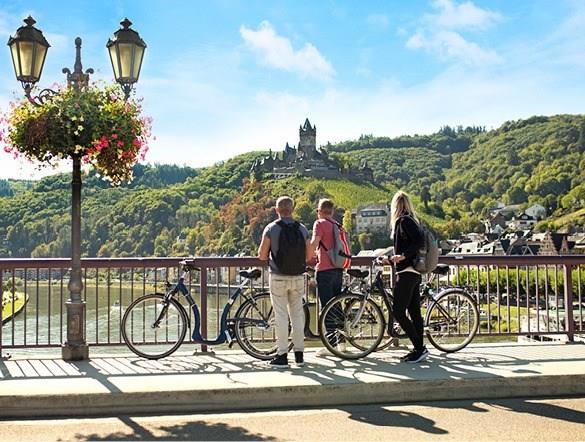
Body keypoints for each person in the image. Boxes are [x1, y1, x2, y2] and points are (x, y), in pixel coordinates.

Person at [258, 196, 311, 368]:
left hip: (278, 276)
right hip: (298, 277)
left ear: (277, 210)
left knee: (281, 316)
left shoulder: (271, 228)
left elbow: (262, 255)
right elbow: (310, 255)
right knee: (297, 315)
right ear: (293, 209)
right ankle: (299, 355)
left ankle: (282, 355)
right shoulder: (302, 229)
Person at [387, 190, 428, 363]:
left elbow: (418, 241)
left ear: (395, 206)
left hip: (407, 272)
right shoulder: (410, 220)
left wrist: (403, 256)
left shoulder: (404, 221)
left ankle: (419, 348)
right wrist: (392, 256)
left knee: (398, 311)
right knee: (414, 312)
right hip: (414, 272)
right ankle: (419, 349)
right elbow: (412, 243)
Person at [308, 198, 344, 356]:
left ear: (320, 211)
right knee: (336, 305)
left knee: (327, 307)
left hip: (324, 270)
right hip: (338, 269)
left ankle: (330, 345)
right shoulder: (337, 225)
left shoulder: (320, 224)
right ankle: (341, 343)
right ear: (332, 211)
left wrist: (305, 257)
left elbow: (314, 243)